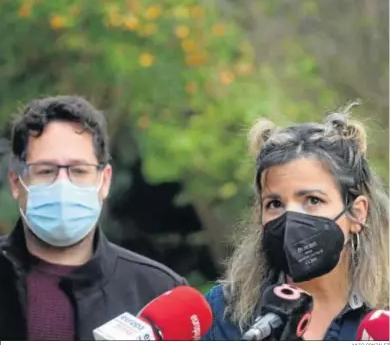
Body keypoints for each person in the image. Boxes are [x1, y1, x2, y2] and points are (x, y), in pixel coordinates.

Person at [0, 96, 187, 340]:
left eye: (79, 171)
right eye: (46, 171)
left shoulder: (158, 293)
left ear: (104, 180)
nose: (63, 185)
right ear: (16, 182)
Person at [202, 104, 389, 341]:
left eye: (312, 200)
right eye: (275, 204)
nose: (290, 219)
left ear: (357, 213)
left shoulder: (382, 321)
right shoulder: (224, 312)